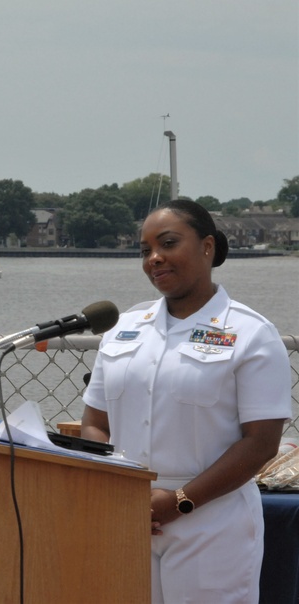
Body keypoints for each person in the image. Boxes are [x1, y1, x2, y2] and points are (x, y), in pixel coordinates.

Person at [81, 199, 291, 603]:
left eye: (168, 243)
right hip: (130, 518)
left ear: (207, 247)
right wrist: (121, 493)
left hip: (212, 523)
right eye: (145, 251)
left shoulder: (251, 334)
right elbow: (96, 423)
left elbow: (261, 442)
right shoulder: (124, 328)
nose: (154, 259)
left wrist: (179, 502)